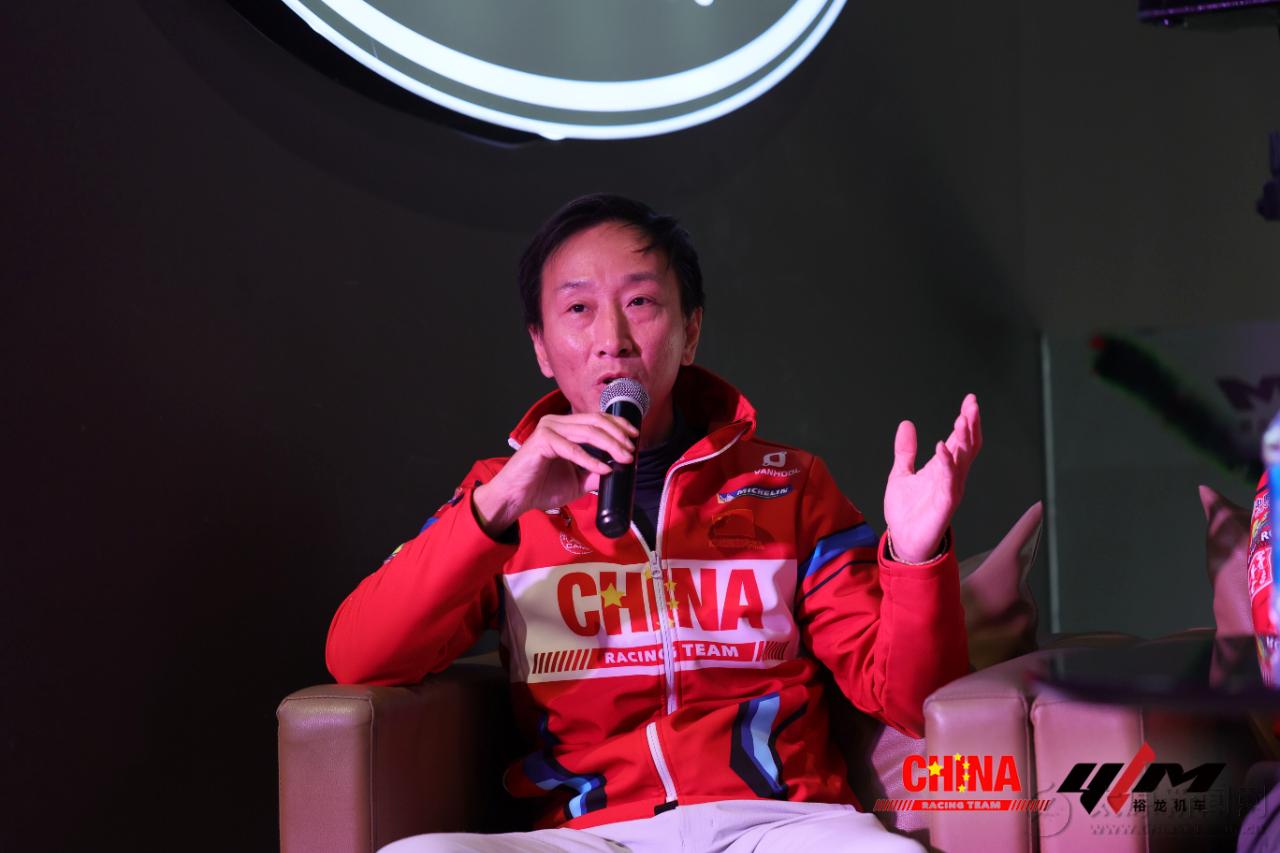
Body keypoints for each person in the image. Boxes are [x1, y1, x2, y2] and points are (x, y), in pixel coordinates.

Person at [326, 194, 982, 852]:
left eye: (640, 302)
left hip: (781, 825)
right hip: (590, 835)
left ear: (690, 332)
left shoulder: (789, 484)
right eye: (578, 309)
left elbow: (910, 699)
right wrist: (497, 505)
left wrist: (916, 556)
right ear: (541, 348)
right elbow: (358, 656)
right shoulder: (500, 497)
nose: (611, 338)